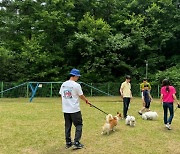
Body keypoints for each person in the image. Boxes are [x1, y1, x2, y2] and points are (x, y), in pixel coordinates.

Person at [59, 68, 90, 149]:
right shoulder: (76, 85)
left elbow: (61, 95)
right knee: (79, 125)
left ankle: (68, 142)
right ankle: (76, 142)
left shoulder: (63, 84)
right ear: (75, 76)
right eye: (78, 76)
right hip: (74, 109)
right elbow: (81, 95)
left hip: (66, 110)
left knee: (68, 126)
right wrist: (86, 101)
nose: (78, 78)